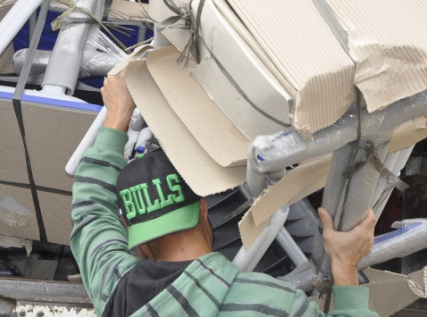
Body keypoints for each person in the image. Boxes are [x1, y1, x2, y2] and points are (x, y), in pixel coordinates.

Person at [70, 70, 380, 317]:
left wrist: (344, 262)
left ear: (131, 235)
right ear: (203, 209)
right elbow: (91, 209)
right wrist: (345, 264)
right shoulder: (273, 305)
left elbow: (91, 212)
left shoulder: (117, 291)